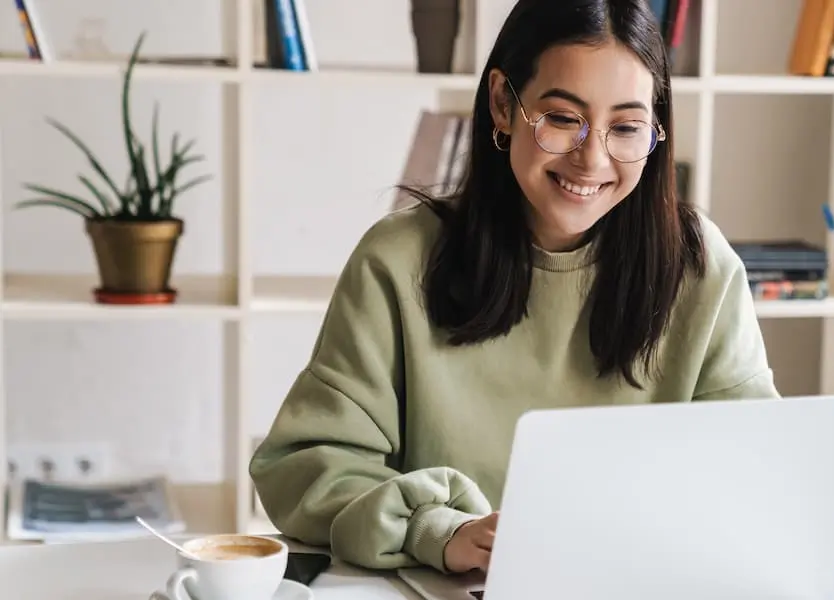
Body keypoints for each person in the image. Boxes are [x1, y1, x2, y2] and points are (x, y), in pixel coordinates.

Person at [249, 0, 779, 577]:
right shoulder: (399, 261)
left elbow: (754, 472)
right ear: (503, 103)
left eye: (625, 128)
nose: (592, 158)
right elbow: (306, 465)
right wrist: (437, 530)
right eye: (561, 117)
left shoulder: (701, 267)